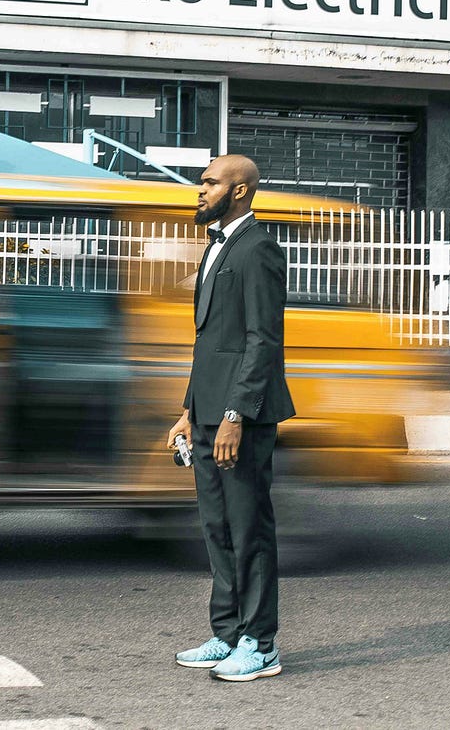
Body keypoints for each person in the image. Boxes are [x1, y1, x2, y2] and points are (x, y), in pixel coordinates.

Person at [166, 154, 296, 682]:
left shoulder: (258, 248)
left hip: (240, 416)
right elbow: (211, 342)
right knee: (216, 528)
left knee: (249, 531)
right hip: (207, 411)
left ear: (239, 191)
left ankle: (260, 644)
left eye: (210, 182)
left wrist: (235, 414)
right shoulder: (217, 247)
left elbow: (261, 340)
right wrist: (187, 409)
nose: (200, 190)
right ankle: (227, 634)